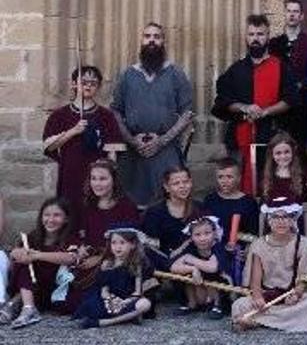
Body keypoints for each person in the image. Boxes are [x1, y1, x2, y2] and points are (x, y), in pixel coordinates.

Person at [212, 14, 299, 197]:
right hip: (240, 137)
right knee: (240, 187)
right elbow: (222, 102)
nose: (255, 39)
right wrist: (245, 107)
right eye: (251, 34)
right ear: (246, 37)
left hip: (272, 136)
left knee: (273, 186)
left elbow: (291, 99)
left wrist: (265, 112)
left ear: (268, 36)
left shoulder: (281, 67)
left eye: (260, 34)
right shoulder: (236, 70)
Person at [112, 22, 194, 208]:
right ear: (141, 41)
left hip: (166, 149)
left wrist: (163, 140)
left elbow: (187, 113)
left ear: (163, 41)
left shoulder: (175, 73)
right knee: (131, 203)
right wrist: (132, 141)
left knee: (168, 201)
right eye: (147, 36)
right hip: (134, 151)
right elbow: (115, 111)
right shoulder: (128, 75)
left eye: (156, 37)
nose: (152, 40)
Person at [231, 197, 307, 333]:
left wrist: (297, 294)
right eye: (275, 217)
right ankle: (286, 321)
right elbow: (255, 279)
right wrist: (258, 297)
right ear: (269, 221)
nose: (281, 221)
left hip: (291, 296)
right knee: (239, 304)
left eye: (286, 217)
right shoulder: (258, 244)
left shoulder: (303, 243)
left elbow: (305, 276)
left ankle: (257, 320)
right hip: (267, 297)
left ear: (292, 220)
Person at [43, 66, 124, 218]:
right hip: (70, 175)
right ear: (74, 84)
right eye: (84, 82)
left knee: (95, 215)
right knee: (69, 215)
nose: (88, 86)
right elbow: (50, 146)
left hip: (97, 177)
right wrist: (73, 131)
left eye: (93, 83)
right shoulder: (59, 115)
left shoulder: (106, 116)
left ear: (98, 87)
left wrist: (110, 179)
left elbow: (112, 152)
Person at [0, 198, 79, 328]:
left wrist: (37, 256)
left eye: (57, 215)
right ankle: (27, 307)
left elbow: (71, 258)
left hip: (51, 290)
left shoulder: (70, 239)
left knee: (32, 261)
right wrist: (18, 253)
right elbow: (14, 253)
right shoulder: (33, 237)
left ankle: (19, 305)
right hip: (30, 288)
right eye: (46, 215)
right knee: (23, 262)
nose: (51, 220)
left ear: (66, 219)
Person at [74, 160, 141, 304]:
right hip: (92, 258)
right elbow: (81, 233)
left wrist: (101, 259)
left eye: (103, 179)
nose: (97, 184)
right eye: (93, 178)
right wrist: (81, 248)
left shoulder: (126, 206)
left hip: (119, 260)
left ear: (113, 180)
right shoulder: (88, 205)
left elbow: (130, 241)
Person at [72, 224, 156, 329]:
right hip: (109, 300)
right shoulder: (107, 263)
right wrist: (111, 299)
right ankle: (129, 316)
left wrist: (124, 302)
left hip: (127, 300)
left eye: (122, 243)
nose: (117, 247)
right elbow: (104, 289)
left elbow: (137, 291)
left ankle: (105, 322)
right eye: (114, 243)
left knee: (145, 304)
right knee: (93, 305)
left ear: (133, 245)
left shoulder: (137, 264)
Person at [268, 0, 307, 148]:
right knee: (279, 143)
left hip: (302, 102)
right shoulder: (273, 44)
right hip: (278, 102)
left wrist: (302, 83)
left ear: (301, 16)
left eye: (295, 11)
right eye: (289, 11)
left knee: (301, 142)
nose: (292, 15)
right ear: (284, 14)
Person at [141, 167, 203, 271]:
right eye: (176, 183)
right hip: (164, 263)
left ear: (191, 182)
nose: (182, 186)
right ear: (166, 187)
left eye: (185, 182)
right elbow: (150, 247)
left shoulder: (199, 208)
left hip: (194, 260)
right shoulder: (155, 212)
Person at [169, 216, 230, 318]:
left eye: (207, 233)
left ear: (214, 233)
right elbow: (173, 266)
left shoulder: (218, 247)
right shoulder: (191, 247)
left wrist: (189, 259)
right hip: (198, 283)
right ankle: (191, 303)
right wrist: (193, 269)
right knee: (184, 275)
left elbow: (212, 267)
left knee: (218, 278)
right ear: (191, 237)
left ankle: (218, 305)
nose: (202, 238)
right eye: (197, 234)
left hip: (216, 282)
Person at [202, 157, 260, 244]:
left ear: (239, 178)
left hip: (239, 251)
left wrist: (237, 236)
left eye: (229, 177)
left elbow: (254, 236)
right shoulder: (210, 200)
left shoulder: (248, 202)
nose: (224, 181)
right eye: (220, 177)